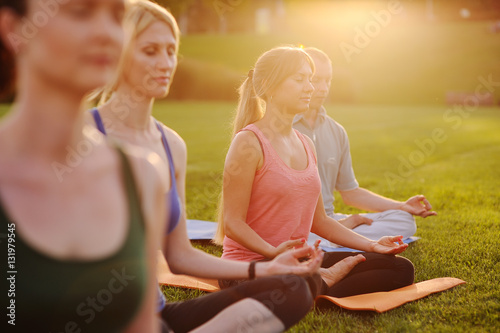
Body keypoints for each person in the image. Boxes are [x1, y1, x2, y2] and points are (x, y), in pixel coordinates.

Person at [87, 1, 323, 332]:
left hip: (156, 316)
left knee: (293, 289)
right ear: (117, 51)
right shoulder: (81, 136)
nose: (166, 62)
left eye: (171, 51)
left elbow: (180, 256)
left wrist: (265, 269)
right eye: (150, 51)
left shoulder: (171, 145)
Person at [0, 0, 168, 332]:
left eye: (118, 15)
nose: (106, 32)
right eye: (80, 11)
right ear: (14, 29)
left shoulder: (143, 176)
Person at [215, 46, 415, 298]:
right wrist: (273, 253)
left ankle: (316, 282)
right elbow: (233, 223)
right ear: (268, 85)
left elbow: (320, 221)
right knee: (291, 285)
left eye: (310, 79)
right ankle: (315, 282)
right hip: (248, 268)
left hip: (296, 263)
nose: (310, 87)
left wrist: (372, 244)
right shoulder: (249, 143)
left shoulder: (306, 144)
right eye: (300, 79)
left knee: (399, 269)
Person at [292, 47, 437, 242]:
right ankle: (335, 237)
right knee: (296, 234)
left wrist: (401, 205)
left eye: (328, 80)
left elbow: (350, 193)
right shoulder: (283, 128)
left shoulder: (337, 131)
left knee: (403, 220)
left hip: (331, 220)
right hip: (295, 224)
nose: (323, 88)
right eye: (317, 80)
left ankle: (335, 237)